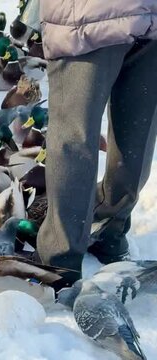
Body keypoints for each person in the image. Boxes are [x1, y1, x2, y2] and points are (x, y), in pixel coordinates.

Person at [36, 1, 157, 280]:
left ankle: (60, 260)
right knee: (137, 131)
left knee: (74, 138)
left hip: (87, 18)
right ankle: (111, 227)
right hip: (149, 16)